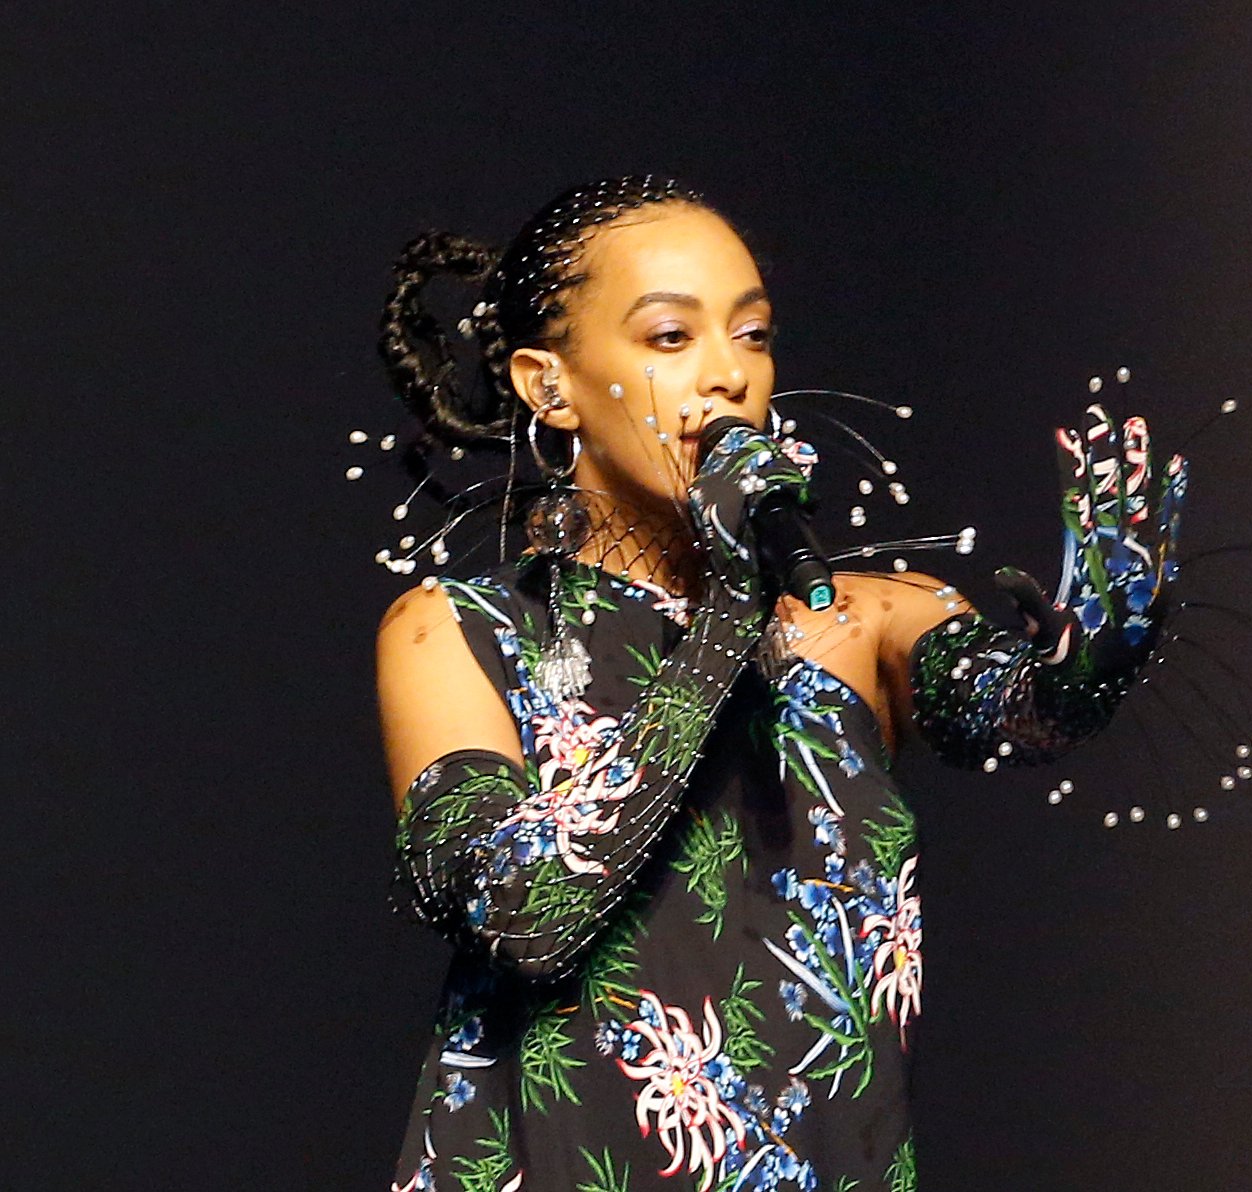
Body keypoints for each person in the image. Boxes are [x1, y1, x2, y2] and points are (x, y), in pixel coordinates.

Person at [373, 177, 1187, 1192]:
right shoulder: (458, 630)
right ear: (551, 385)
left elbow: (1017, 709)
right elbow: (527, 910)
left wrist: (1087, 671)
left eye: (752, 336)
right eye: (670, 338)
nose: (727, 376)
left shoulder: (863, 622)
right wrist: (727, 614)